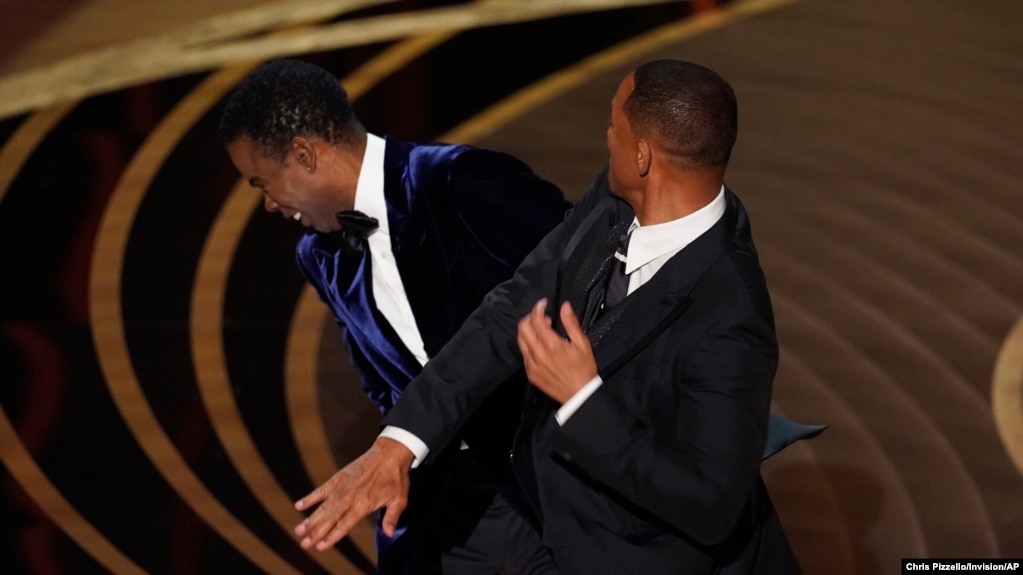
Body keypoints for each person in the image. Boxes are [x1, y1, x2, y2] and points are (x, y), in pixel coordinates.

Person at [291, 59, 815, 573]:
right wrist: (400, 442)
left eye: (613, 123)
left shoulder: (731, 315)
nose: (605, 133)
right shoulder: (614, 202)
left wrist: (583, 399)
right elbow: (510, 308)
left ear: (642, 156)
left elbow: (706, 503)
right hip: (560, 535)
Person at [217, 58, 570, 574]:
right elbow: (383, 384)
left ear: (303, 155)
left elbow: (589, 280)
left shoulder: (458, 181)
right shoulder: (319, 256)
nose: (268, 204)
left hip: (553, 480)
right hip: (450, 505)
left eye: (261, 182)